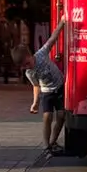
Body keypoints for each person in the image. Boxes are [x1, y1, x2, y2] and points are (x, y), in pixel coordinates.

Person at [25, 16, 67, 153]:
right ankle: (45, 143)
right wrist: (35, 103)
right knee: (47, 117)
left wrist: (62, 22)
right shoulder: (29, 73)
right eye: (24, 66)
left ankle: (53, 140)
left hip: (60, 87)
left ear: (30, 56)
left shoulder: (41, 54)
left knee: (61, 116)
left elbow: (52, 39)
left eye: (27, 63)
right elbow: (36, 86)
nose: (28, 66)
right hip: (47, 93)